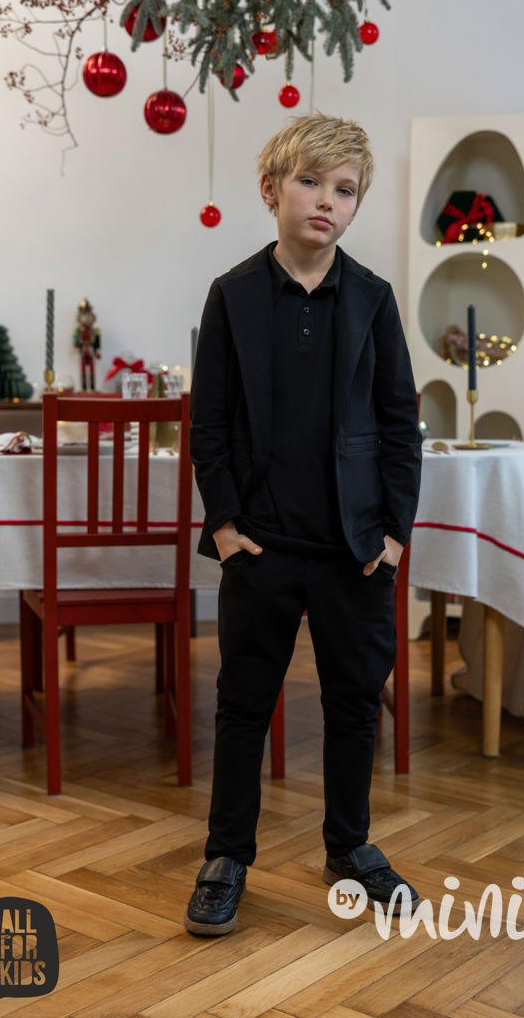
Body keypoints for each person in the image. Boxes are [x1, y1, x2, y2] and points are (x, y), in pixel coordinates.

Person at [185, 111, 423, 936]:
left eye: (344, 190)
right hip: (261, 546)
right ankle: (226, 855)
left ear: (355, 206)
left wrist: (393, 534)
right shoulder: (233, 295)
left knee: (354, 702)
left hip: (354, 551)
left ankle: (349, 846)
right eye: (310, 182)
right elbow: (208, 426)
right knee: (243, 704)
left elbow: (398, 425)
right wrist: (224, 526)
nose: (327, 201)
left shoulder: (373, 300)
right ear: (271, 189)